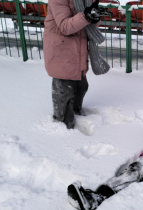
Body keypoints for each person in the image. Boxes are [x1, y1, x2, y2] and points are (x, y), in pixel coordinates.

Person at [43, 0, 109, 129]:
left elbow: (91, 25)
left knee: (81, 85)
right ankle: (63, 124)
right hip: (61, 48)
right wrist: (86, 16)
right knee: (64, 89)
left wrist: (95, 17)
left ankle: (76, 113)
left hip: (78, 48)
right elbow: (65, 26)